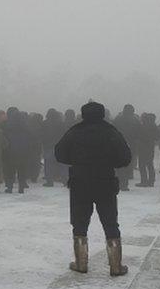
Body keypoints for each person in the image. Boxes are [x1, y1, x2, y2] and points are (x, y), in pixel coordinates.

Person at [55, 101, 132, 276]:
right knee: (111, 222)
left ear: (83, 114)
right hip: (105, 181)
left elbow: (59, 153)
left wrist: (77, 160)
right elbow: (125, 157)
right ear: (102, 114)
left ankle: (81, 263)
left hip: (80, 182)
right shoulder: (111, 132)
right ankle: (115, 266)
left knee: (79, 223)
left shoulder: (74, 132)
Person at [113, 105, 140, 191]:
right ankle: (125, 183)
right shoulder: (135, 120)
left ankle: (118, 182)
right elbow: (138, 133)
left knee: (118, 164)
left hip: (119, 143)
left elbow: (114, 130)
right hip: (132, 144)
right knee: (128, 163)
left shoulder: (118, 119)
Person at [40, 109, 64, 187]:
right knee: (61, 164)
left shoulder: (44, 123)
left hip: (48, 146)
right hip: (59, 146)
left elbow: (42, 135)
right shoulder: (60, 123)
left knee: (48, 165)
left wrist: (44, 143)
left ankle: (49, 181)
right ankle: (65, 180)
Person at [137, 112, 159, 187]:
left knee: (142, 165)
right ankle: (151, 181)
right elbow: (158, 136)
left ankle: (144, 181)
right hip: (150, 147)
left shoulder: (142, 126)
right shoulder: (154, 125)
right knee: (150, 164)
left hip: (142, 147)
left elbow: (138, 135)